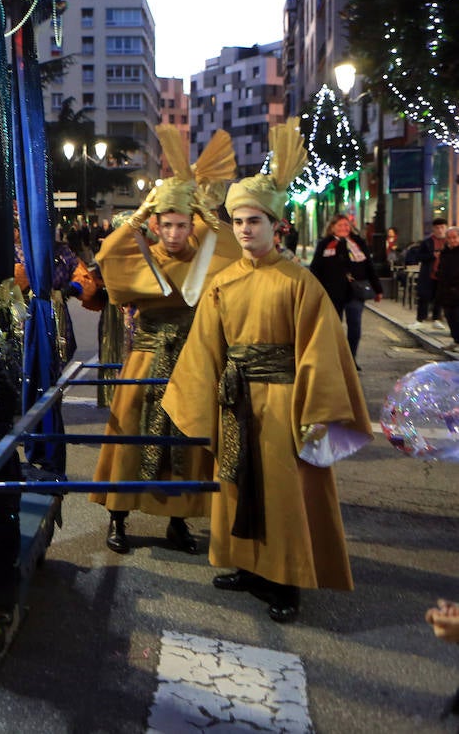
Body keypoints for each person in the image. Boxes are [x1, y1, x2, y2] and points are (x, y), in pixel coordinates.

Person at [162, 119, 374, 624]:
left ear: (275, 225)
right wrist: (199, 399)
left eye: (254, 221)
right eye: (238, 222)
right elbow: (204, 347)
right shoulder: (224, 282)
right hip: (235, 400)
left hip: (282, 401)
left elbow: (321, 349)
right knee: (236, 483)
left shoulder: (299, 282)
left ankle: (285, 579)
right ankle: (247, 565)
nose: (244, 230)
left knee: (282, 492)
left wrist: (314, 408)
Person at [89, 126, 238, 556]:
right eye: (166, 224)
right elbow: (109, 255)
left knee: (187, 441)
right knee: (129, 432)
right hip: (148, 354)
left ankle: (178, 520)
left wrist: (209, 215)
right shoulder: (145, 255)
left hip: (191, 358)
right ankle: (118, 516)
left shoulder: (205, 257)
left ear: (190, 224)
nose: (174, 233)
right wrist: (138, 213)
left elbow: (232, 250)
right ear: (155, 225)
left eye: (181, 224)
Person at [308, 213, 384, 367]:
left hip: (355, 292)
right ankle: (334, 358)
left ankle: (350, 358)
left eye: (346, 225)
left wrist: (378, 289)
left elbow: (369, 266)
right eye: (340, 225)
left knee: (355, 325)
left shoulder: (358, 242)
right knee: (333, 327)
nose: (344, 228)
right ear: (332, 227)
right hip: (332, 293)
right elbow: (315, 269)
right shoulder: (325, 244)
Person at [407, 218, 448, 328]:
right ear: (433, 229)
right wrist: (432, 256)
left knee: (438, 297)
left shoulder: (449, 242)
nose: (440, 230)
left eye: (442, 227)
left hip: (443, 274)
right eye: (437, 228)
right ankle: (420, 319)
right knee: (424, 296)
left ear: (446, 228)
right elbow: (419, 257)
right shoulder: (427, 242)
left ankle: (436, 319)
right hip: (428, 273)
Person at [433, 227, 459, 350]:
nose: (452, 240)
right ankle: (456, 340)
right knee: (450, 316)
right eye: (449, 238)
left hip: (457, 289)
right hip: (446, 290)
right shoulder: (445, 252)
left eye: (454, 237)